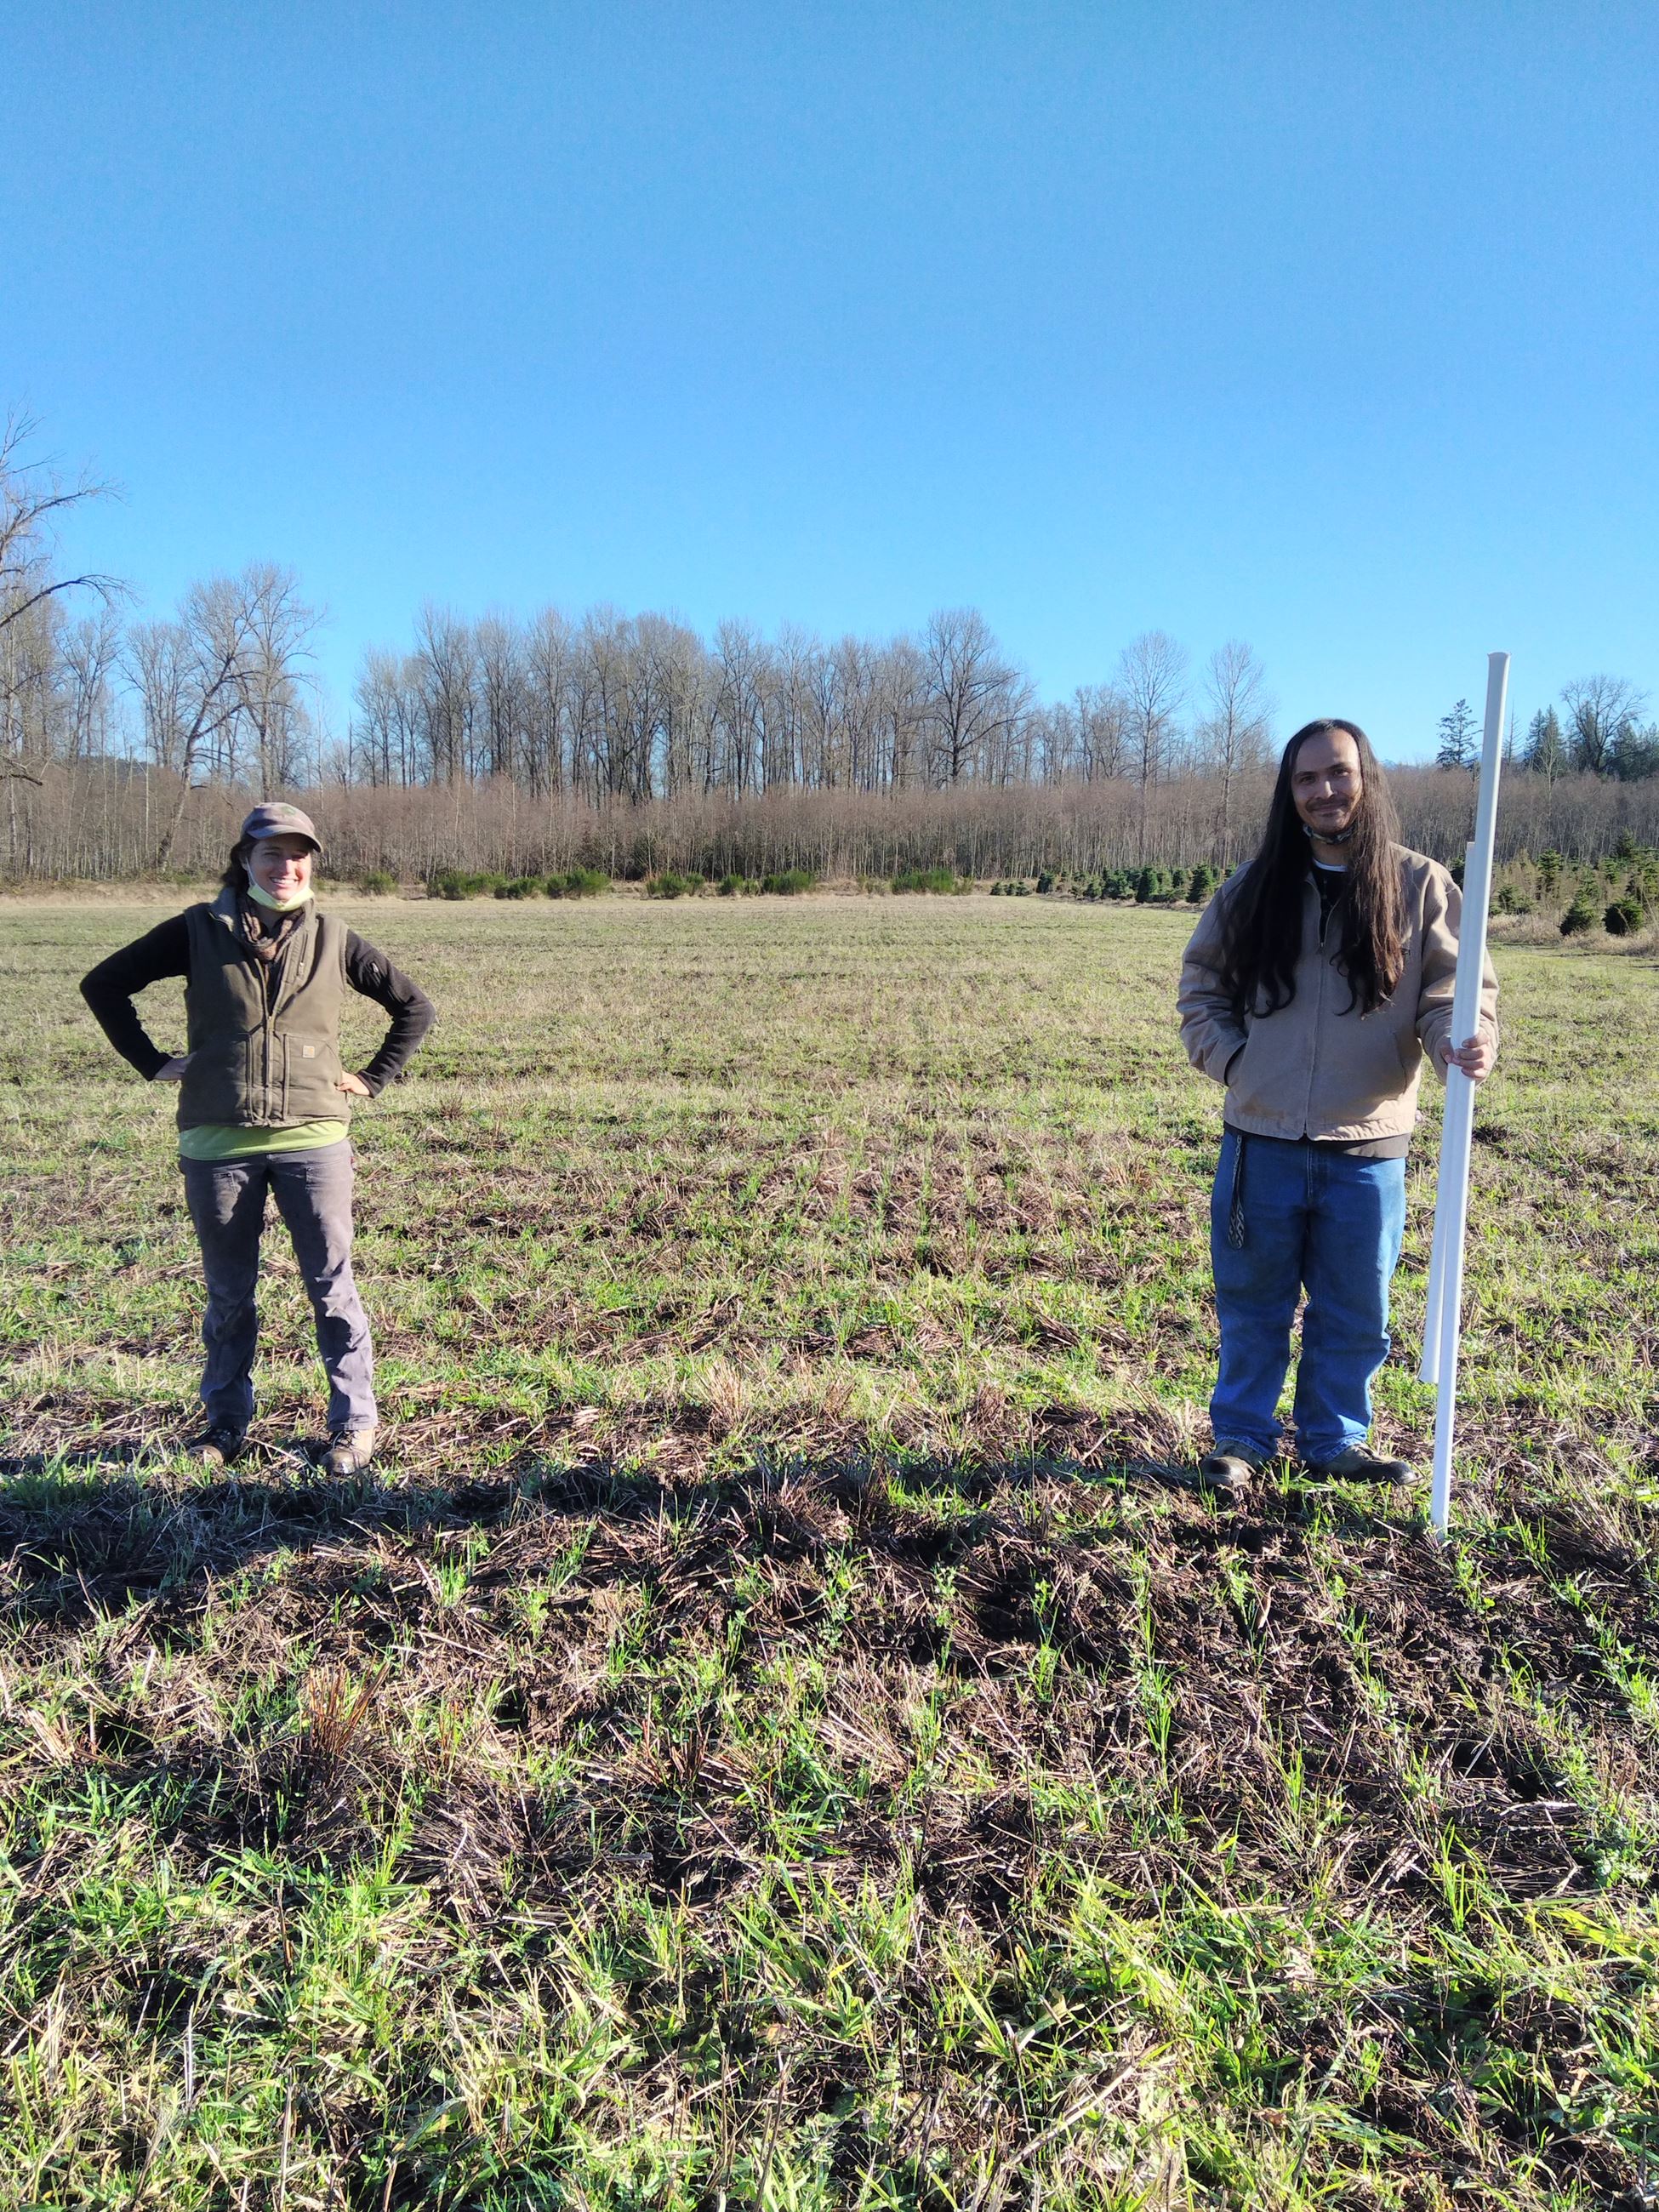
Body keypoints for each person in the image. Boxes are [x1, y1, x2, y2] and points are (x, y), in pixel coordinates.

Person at [1177, 719, 1497, 1491]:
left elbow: (1454, 992)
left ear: (1367, 778)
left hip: (1369, 1149)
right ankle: (1243, 1442)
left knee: (1356, 1311)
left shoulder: (1422, 886)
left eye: (1339, 773)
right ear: (1290, 795)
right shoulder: (1252, 891)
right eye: (1307, 779)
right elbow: (1201, 992)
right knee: (1253, 1305)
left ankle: (1334, 1442)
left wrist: (1465, 1038)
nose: (1325, 790)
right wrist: (1239, 1063)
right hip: (1262, 1142)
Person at [80, 803, 435, 1474]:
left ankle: (353, 1425)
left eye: (300, 854)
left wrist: (373, 1077)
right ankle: (224, 1425)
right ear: (244, 859)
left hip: (314, 1140)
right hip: (218, 1144)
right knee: (228, 1293)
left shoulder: (335, 938)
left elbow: (414, 1007)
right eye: (272, 853)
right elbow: (104, 984)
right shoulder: (195, 931)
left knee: (332, 1285)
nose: (287, 866)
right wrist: (152, 1060)